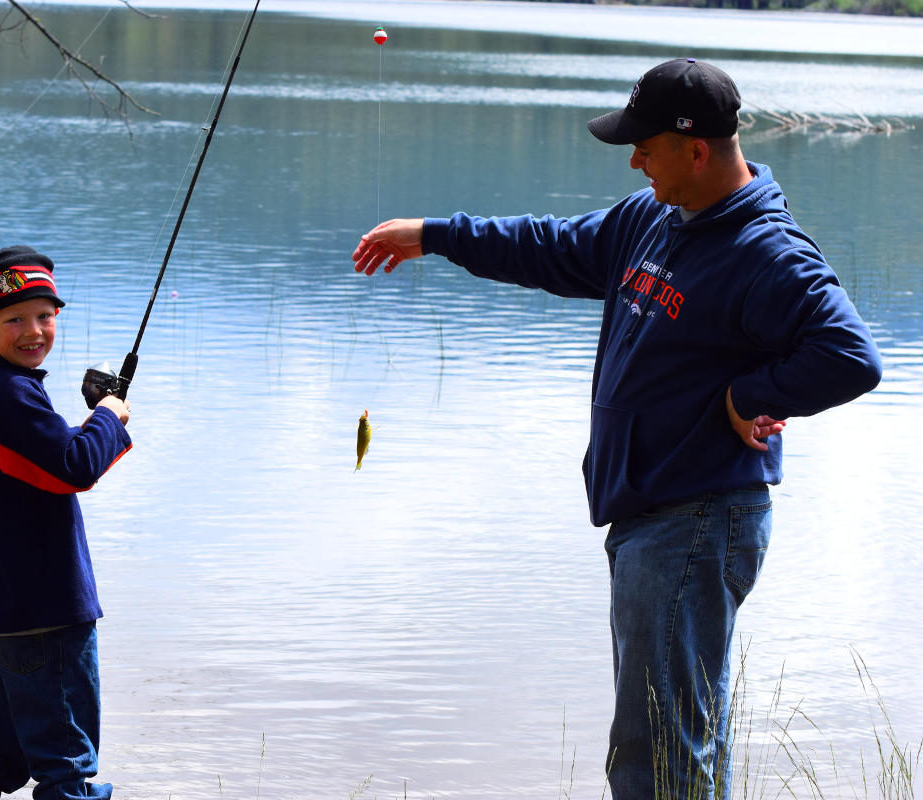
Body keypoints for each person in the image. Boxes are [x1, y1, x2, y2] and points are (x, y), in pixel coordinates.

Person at [351, 59, 882, 799]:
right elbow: (551, 246)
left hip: (697, 519)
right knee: (681, 744)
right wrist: (437, 235)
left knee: (653, 753)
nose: (633, 159)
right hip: (655, 517)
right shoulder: (654, 218)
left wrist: (748, 394)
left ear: (695, 150)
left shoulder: (766, 253)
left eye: (645, 146)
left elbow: (851, 355)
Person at [0, 245, 133, 800]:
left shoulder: (7, 386)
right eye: (14, 319)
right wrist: (109, 417)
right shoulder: (12, 395)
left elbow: (48, 468)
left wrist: (92, 426)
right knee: (65, 760)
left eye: (45, 316)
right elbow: (74, 468)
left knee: (3, 746)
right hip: (45, 609)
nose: (33, 331)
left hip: (12, 607)